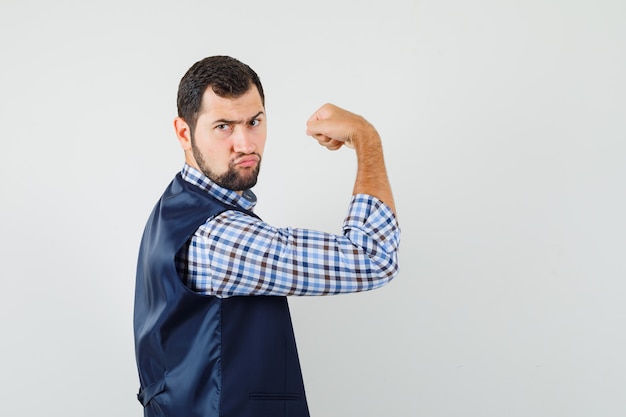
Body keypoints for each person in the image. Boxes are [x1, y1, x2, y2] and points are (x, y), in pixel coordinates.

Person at [133, 55, 401, 417]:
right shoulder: (220, 236)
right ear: (184, 132)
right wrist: (367, 140)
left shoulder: (176, 205)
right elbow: (374, 258)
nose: (245, 144)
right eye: (224, 126)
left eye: (254, 122)